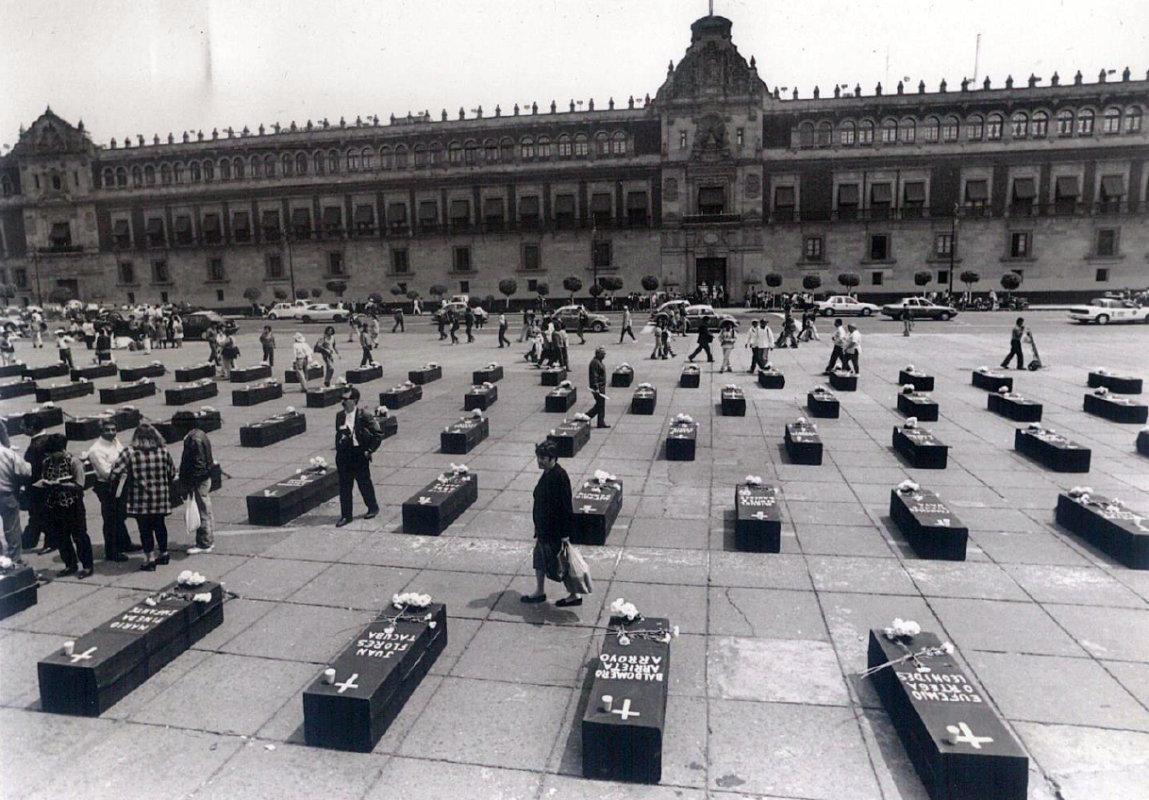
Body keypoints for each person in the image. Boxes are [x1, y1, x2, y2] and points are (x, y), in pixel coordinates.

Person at [109, 423, 176, 572]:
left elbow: (115, 472)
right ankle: (164, 553)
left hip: (140, 499)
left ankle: (150, 558)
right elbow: (172, 472)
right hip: (160, 497)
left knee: (144, 529)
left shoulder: (130, 452)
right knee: (160, 525)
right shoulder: (163, 451)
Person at [521, 440, 580, 607]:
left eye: (543, 458)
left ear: (553, 458)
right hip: (544, 529)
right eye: (538, 457)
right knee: (539, 559)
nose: (539, 461)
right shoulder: (547, 473)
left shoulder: (560, 476)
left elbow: (566, 507)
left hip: (554, 531)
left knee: (560, 563)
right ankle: (539, 591)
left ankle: (574, 595)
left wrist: (565, 535)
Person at [38, 434, 93, 578]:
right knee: (62, 538)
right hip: (55, 505)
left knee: (80, 536)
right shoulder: (47, 462)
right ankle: (70, 564)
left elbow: (80, 485)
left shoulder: (74, 462)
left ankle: (87, 566)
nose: (52, 456)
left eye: (54, 453)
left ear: (62, 449)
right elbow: (44, 477)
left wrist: (62, 485)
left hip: (73, 505)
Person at [86, 419, 136, 562]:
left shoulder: (115, 441)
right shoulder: (96, 450)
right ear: (101, 431)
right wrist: (123, 466)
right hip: (107, 487)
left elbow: (122, 457)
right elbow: (106, 473)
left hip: (120, 482)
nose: (111, 432)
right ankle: (111, 551)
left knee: (120, 516)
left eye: (113, 429)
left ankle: (125, 543)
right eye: (107, 430)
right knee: (110, 519)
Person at [334, 387, 382, 527]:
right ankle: (346, 515)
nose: (342, 402)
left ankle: (373, 507)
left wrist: (369, 450)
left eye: (345, 399)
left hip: (359, 453)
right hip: (344, 455)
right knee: (344, 486)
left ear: (354, 400)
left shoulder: (364, 415)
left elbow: (378, 434)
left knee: (364, 483)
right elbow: (338, 433)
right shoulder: (339, 416)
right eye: (341, 399)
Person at [180, 428, 215, 554]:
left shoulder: (193, 439)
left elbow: (197, 463)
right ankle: (208, 539)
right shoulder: (200, 434)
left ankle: (204, 543)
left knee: (201, 511)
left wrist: (190, 483)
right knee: (205, 509)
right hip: (205, 477)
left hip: (199, 480)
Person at [0, 421, 30, 563]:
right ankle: (15, 559)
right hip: (7, 495)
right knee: (12, 529)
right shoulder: (8, 454)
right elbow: (26, 471)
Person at [586, 346, 609, 429]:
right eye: (603, 354)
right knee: (599, 405)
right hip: (598, 388)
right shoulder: (595, 363)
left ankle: (600, 422)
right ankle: (586, 417)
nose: (604, 355)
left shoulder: (598, 361)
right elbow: (594, 376)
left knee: (600, 405)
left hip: (601, 387)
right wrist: (596, 388)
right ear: (598, 354)